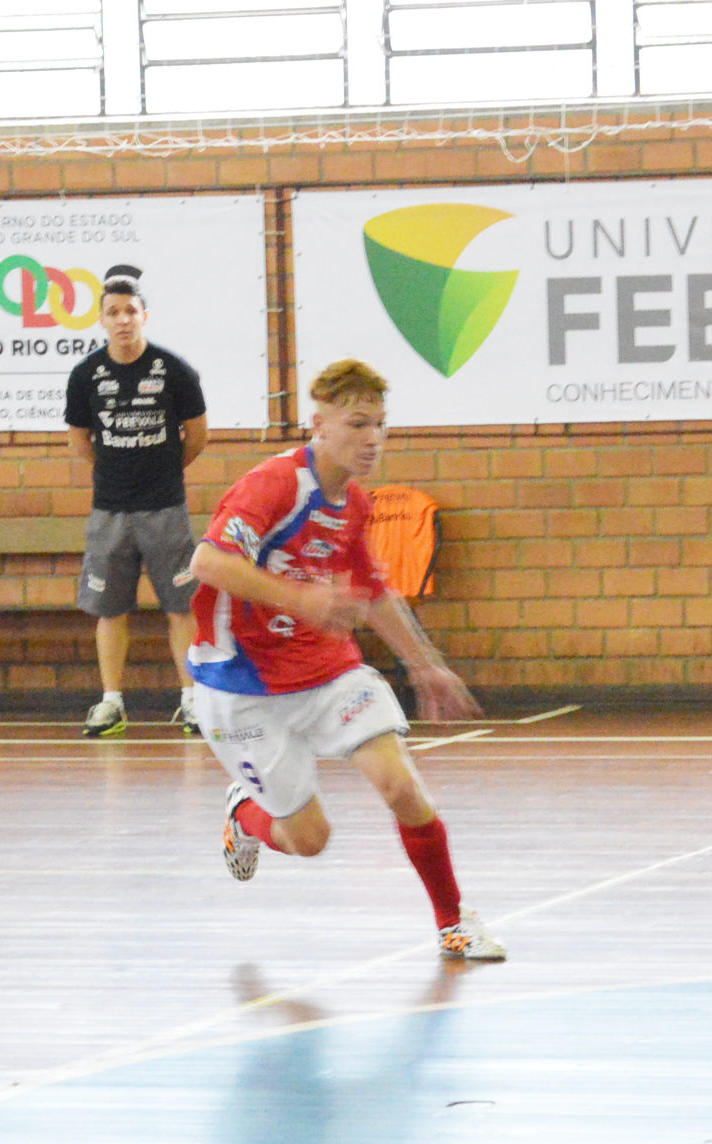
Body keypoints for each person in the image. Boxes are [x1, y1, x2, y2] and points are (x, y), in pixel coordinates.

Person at [186, 358, 505, 960]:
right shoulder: (275, 485)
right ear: (319, 426)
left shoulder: (355, 504)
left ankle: (452, 923)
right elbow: (208, 563)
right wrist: (300, 597)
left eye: (381, 425)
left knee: (402, 786)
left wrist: (424, 664)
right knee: (310, 840)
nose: (373, 439)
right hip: (243, 685)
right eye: (358, 424)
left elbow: (376, 590)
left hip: (328, 670)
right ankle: (245, 816)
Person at [62, 267, 209, 738]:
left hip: (166, 507)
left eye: (131, 311)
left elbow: (198, 435)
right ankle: (111, 703)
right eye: (113, 312)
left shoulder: (175, 370)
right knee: (110, 609)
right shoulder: (85, 375)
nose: (123, 320)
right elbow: (80, 440)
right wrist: (115, 472)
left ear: (144, 315)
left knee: (181, 605)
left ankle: (190, 701)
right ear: (102, 321)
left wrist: (163, 471)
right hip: (110, 509)